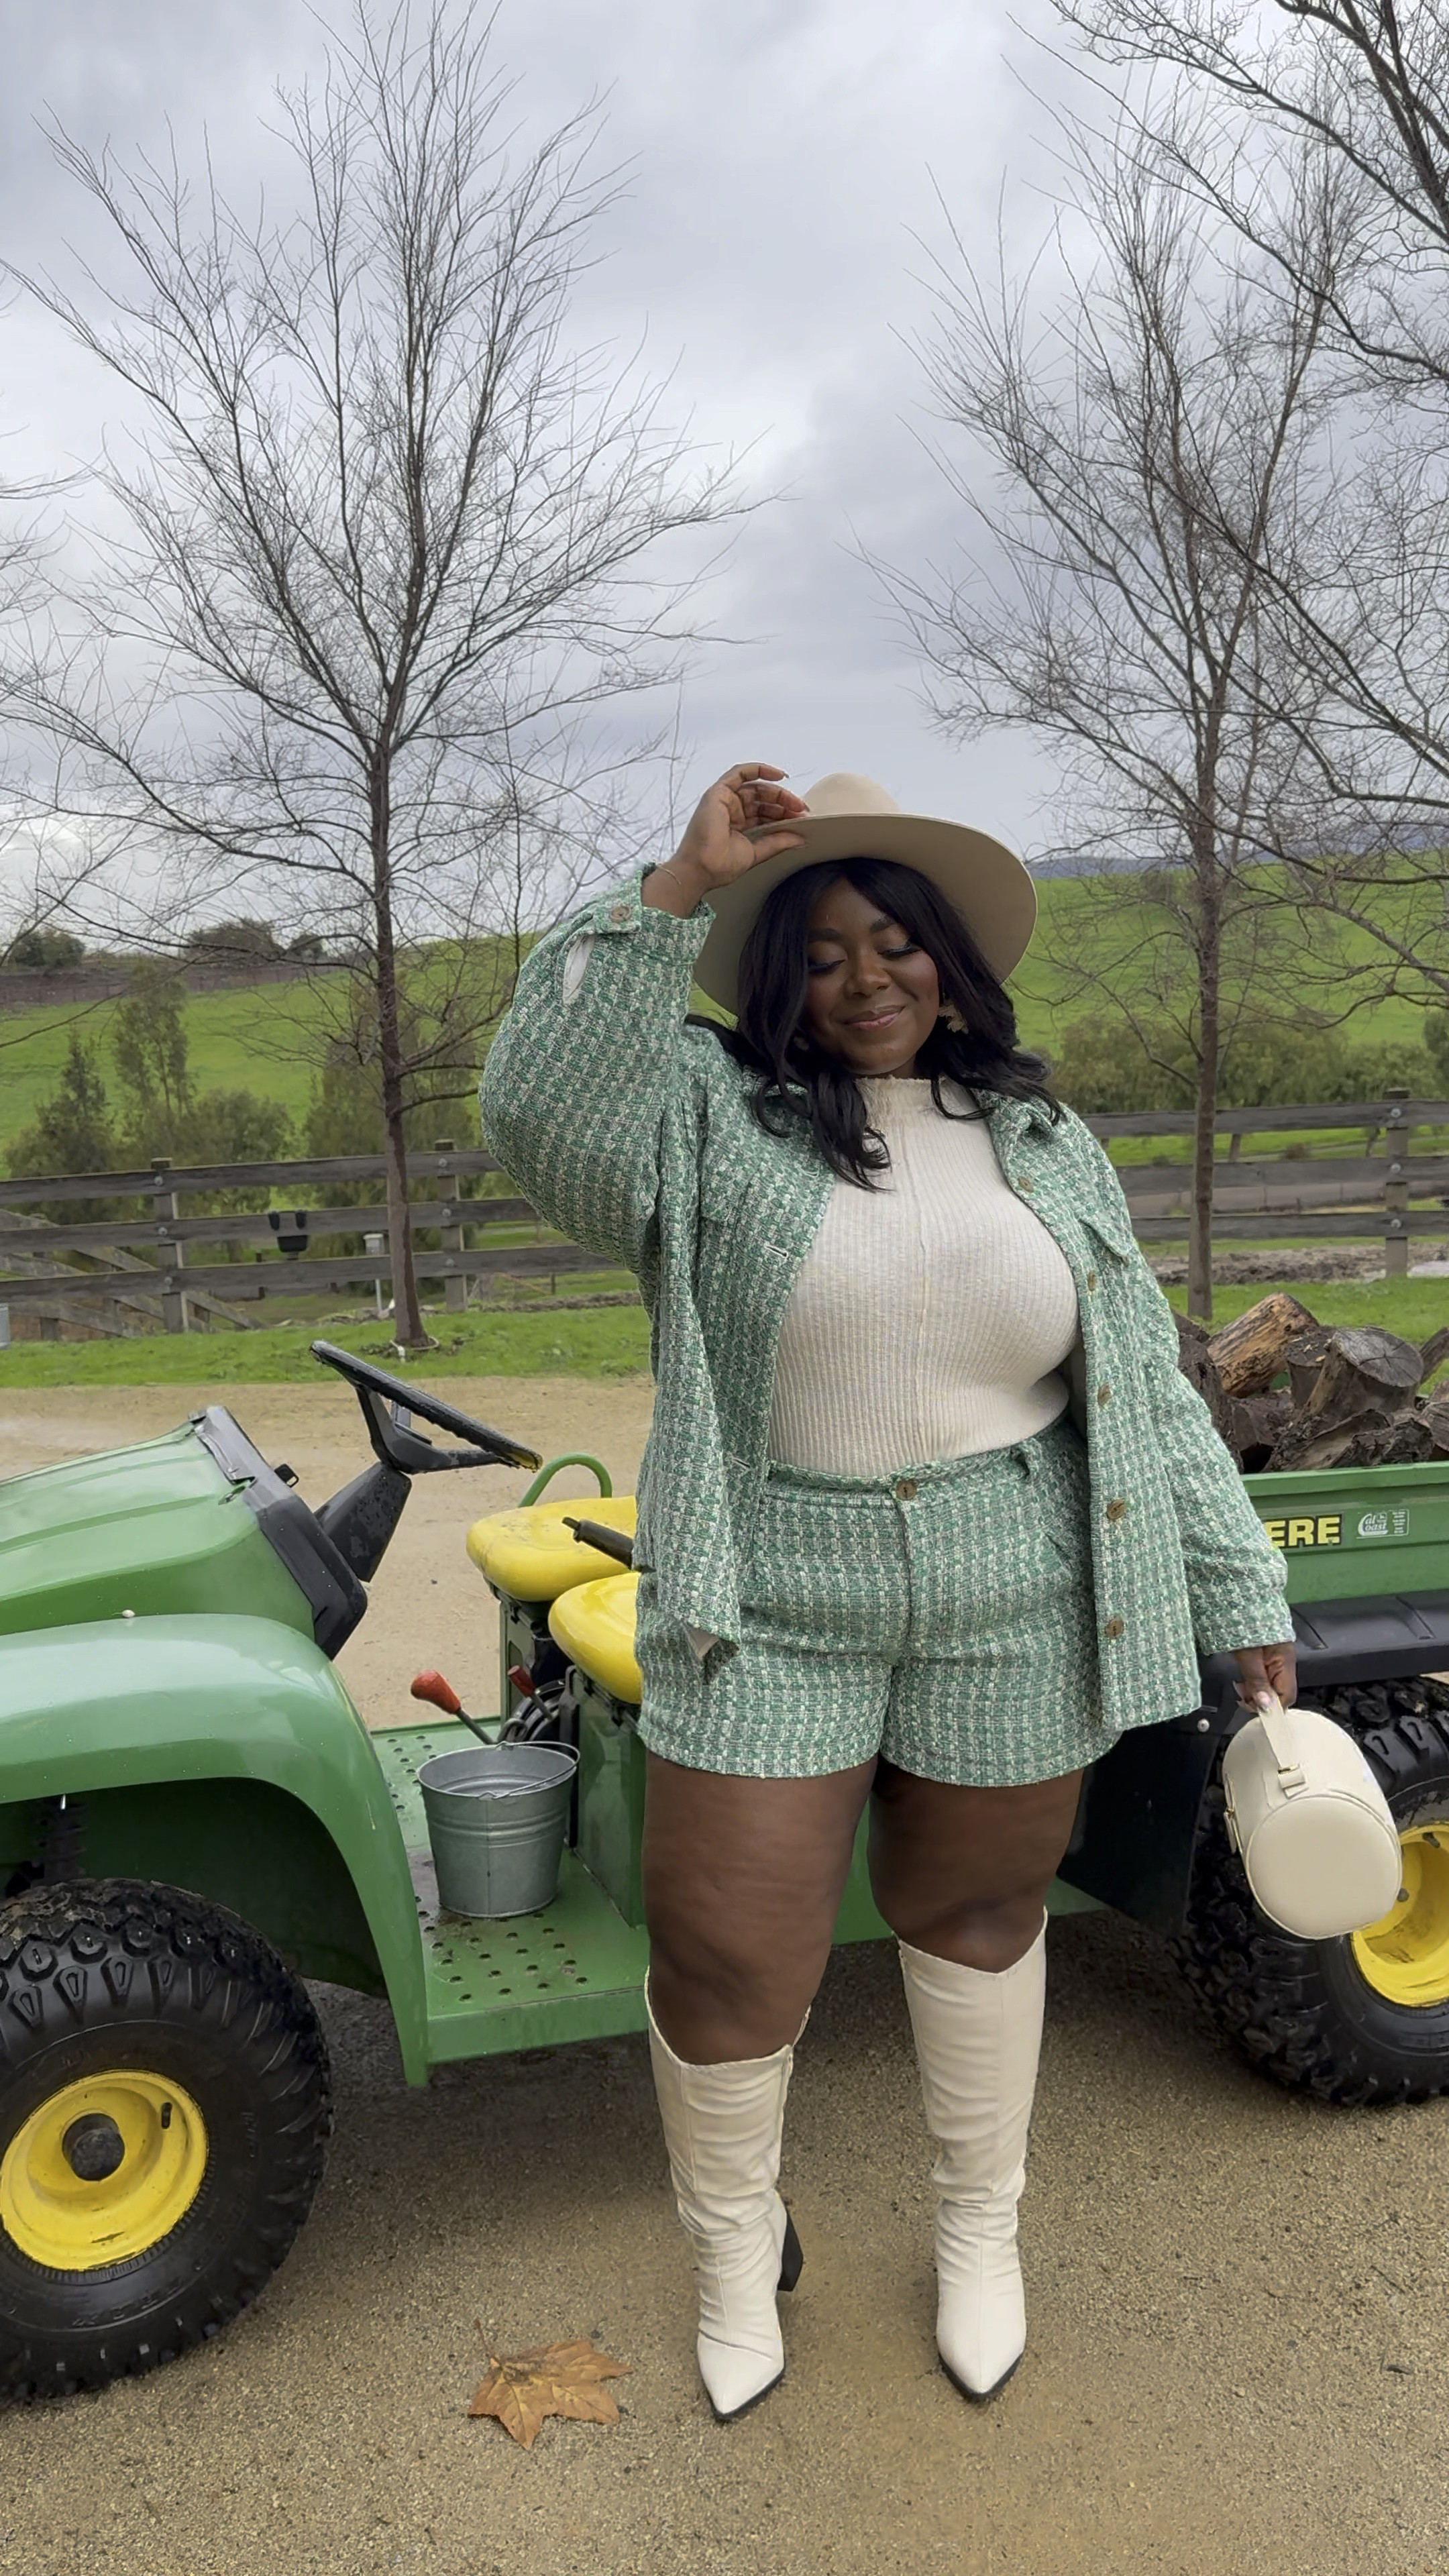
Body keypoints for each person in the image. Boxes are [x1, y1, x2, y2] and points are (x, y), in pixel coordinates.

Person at [481, 763, 1297, 2421]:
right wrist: (679, 885)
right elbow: (537, 1113)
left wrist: (1233, 1584)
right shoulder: (706, 1119)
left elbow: (1136, 1369)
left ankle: (979, 2237)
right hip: (774, 1582)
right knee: (729, 1958)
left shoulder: (1043, 1139)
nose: (868, 977)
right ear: (781, 976)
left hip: (1016, 1580)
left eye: (898, 942)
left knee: (983, 1919)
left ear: (953, 962)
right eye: (828, 948)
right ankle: (729, 2261)